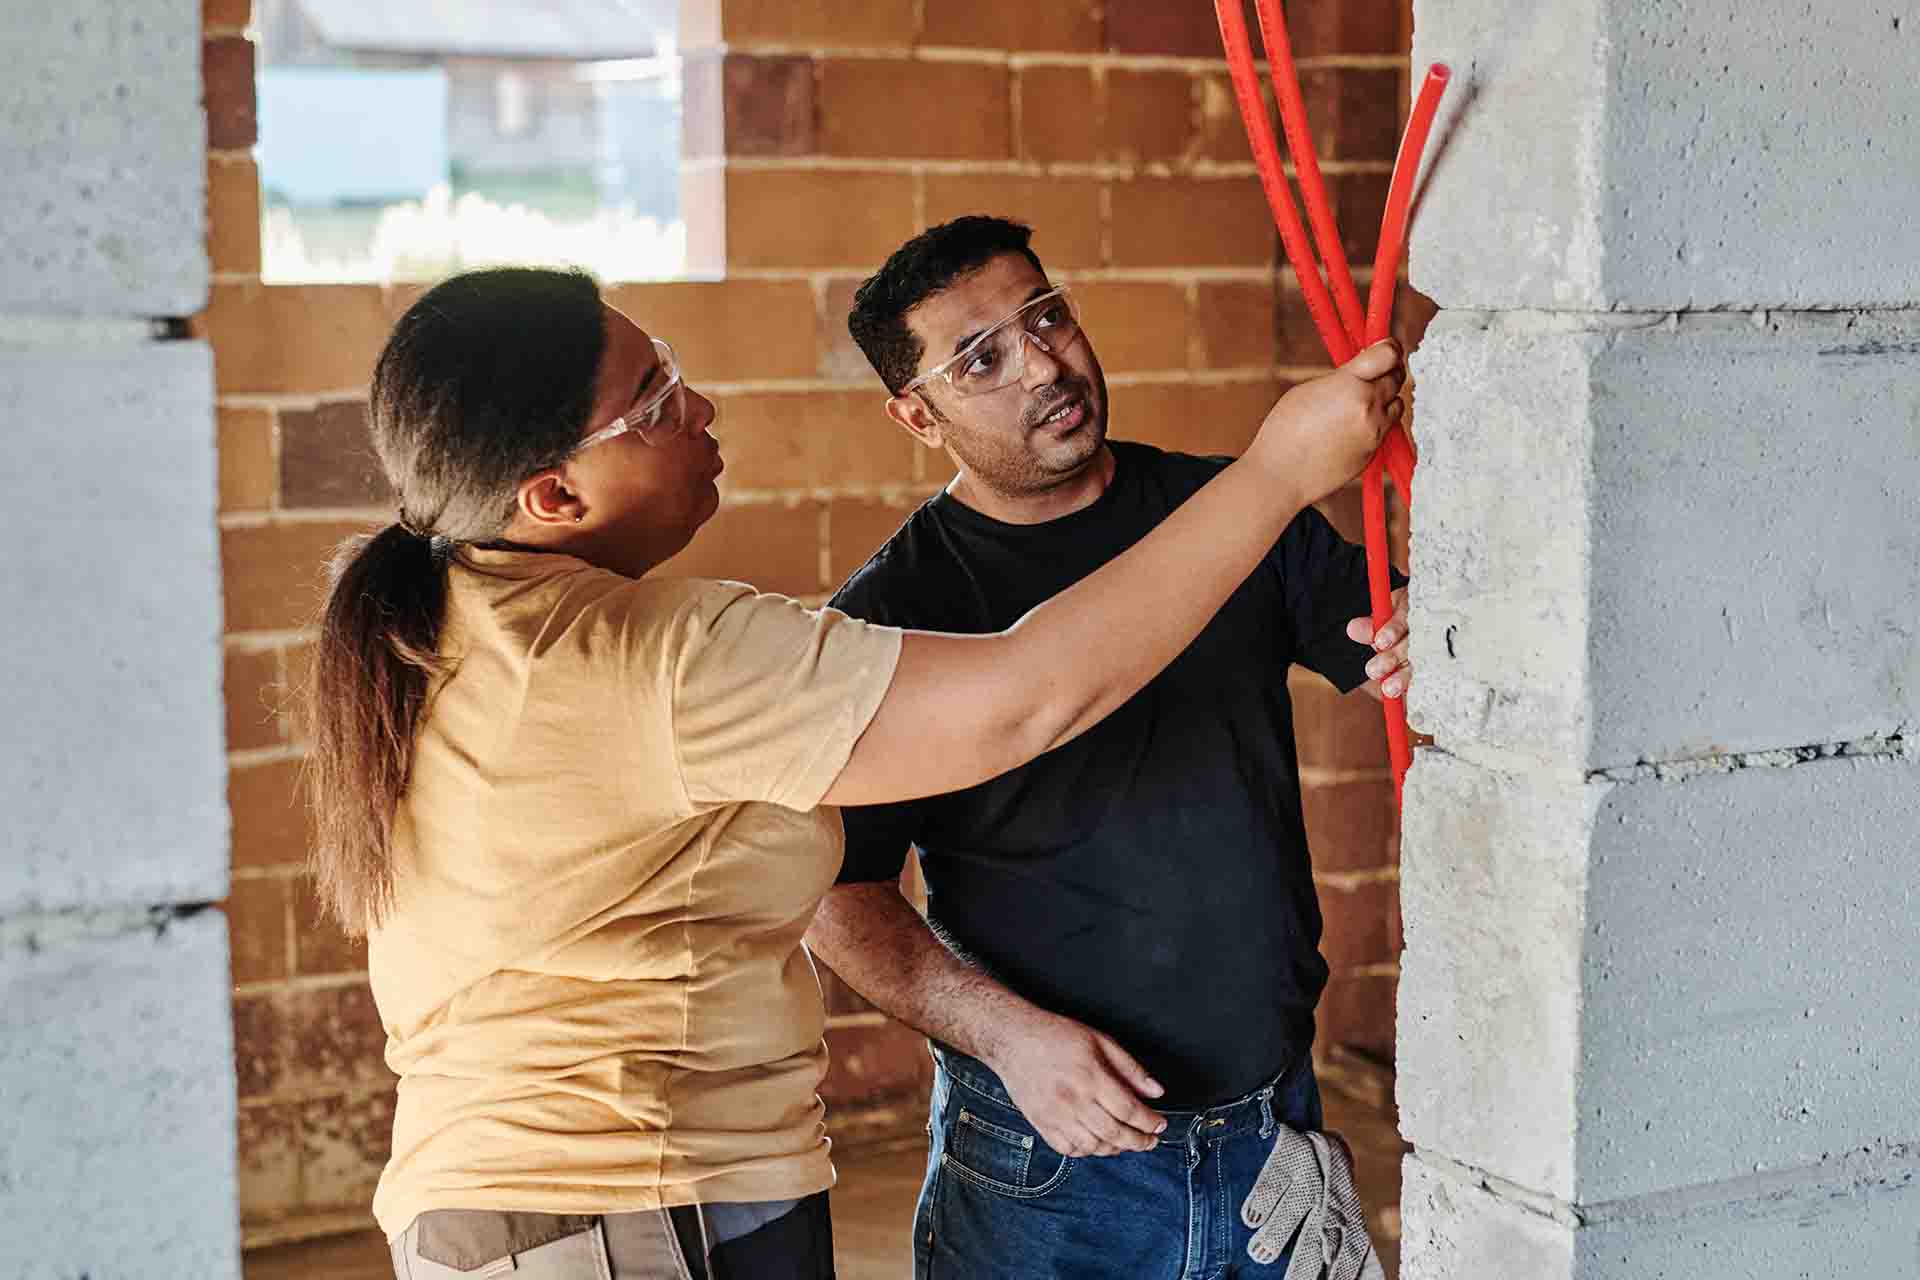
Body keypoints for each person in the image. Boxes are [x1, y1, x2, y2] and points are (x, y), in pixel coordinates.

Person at [299, 265, 1404, 1280]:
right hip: (622, 1208)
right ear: (552, 497)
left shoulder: (456, 620)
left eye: (1046, 317)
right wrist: (1279, 470)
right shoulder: (654, 655)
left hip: (592, 1198)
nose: (703, 407)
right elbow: (1027, 695)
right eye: (657, 399)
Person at [805, 216, 1414, 1278]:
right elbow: (834, 895)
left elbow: (1406, 654)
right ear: (916, 412)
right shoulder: (893, 613)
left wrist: (1429, 631)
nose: (1044, 362)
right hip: (1045, 1161)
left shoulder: (1224, 512)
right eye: (981, 357)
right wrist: (1003, 1035)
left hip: (1273, 1124)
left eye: (1047, 315)